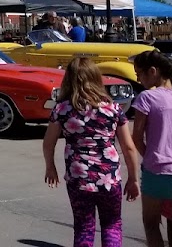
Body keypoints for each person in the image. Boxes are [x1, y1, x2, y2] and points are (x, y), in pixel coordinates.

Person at [43, 57, 140, 247]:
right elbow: (128, 147)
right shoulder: (113, 109)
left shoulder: (62, 109)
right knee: (112, 225)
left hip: (78, 178)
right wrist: (134, 178)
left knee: (84, 227)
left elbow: (48, 143)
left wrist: (50, 168)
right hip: (109, 178)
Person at [131, 50, 172, 247]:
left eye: (139, 74)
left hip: (156, 170)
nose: (138, 79)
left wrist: (149, 155)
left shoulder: (147, 97)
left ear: (153, 71)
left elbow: (136, 137)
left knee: (151, 224)